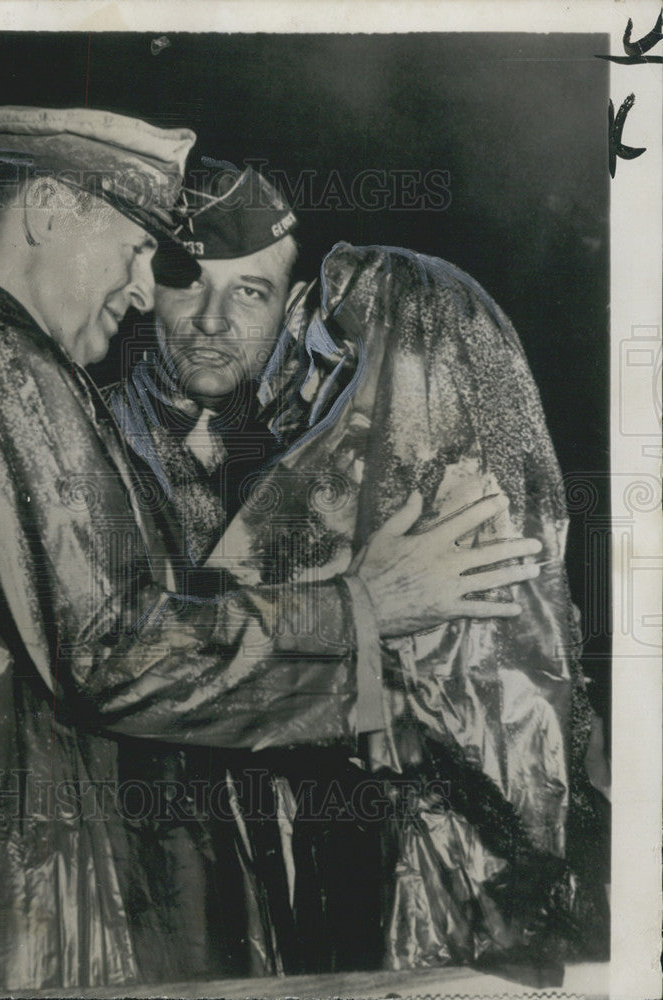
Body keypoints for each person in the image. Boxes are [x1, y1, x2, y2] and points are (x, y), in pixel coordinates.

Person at [0, 108, 543, 994]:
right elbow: (111, 654)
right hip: (33, 882)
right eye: (146, 255)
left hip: (65, 860)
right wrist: (364, 607)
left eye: (246, 291)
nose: (144, 290)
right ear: (52, 208)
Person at [109, 162, 609, 977]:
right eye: (184, 284)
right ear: (138, 290)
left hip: (324, 875)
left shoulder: (339, 459)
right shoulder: (91, 442)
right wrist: (360, 608)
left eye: (249, 293)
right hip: (150, 873)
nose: (210, 321)